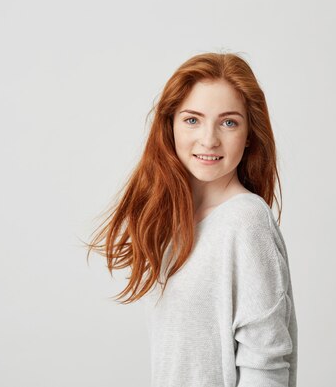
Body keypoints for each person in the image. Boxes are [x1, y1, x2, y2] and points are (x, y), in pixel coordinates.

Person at [86, 52, 298, 386]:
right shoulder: (177, 224)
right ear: (169, 125)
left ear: (249, 134)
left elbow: (266, 368)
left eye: (229, 122)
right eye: (192, 120)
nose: (209, 139)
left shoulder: (246, 221)